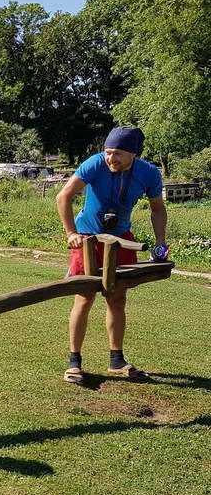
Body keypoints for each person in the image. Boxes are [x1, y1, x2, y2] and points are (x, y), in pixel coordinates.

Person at [55, 126, 168, 385]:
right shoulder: (94, 164)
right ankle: (74, 362)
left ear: (133, 154)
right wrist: (71, 233)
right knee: (84, 298)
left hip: (120, 241)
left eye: (117, 154)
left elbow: (158, 209)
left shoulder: (149, 173)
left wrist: (161, 242)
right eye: (107, 153)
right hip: (87, 239)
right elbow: (64, 197)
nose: (110, 159)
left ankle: (116, 360)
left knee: (117, 299)